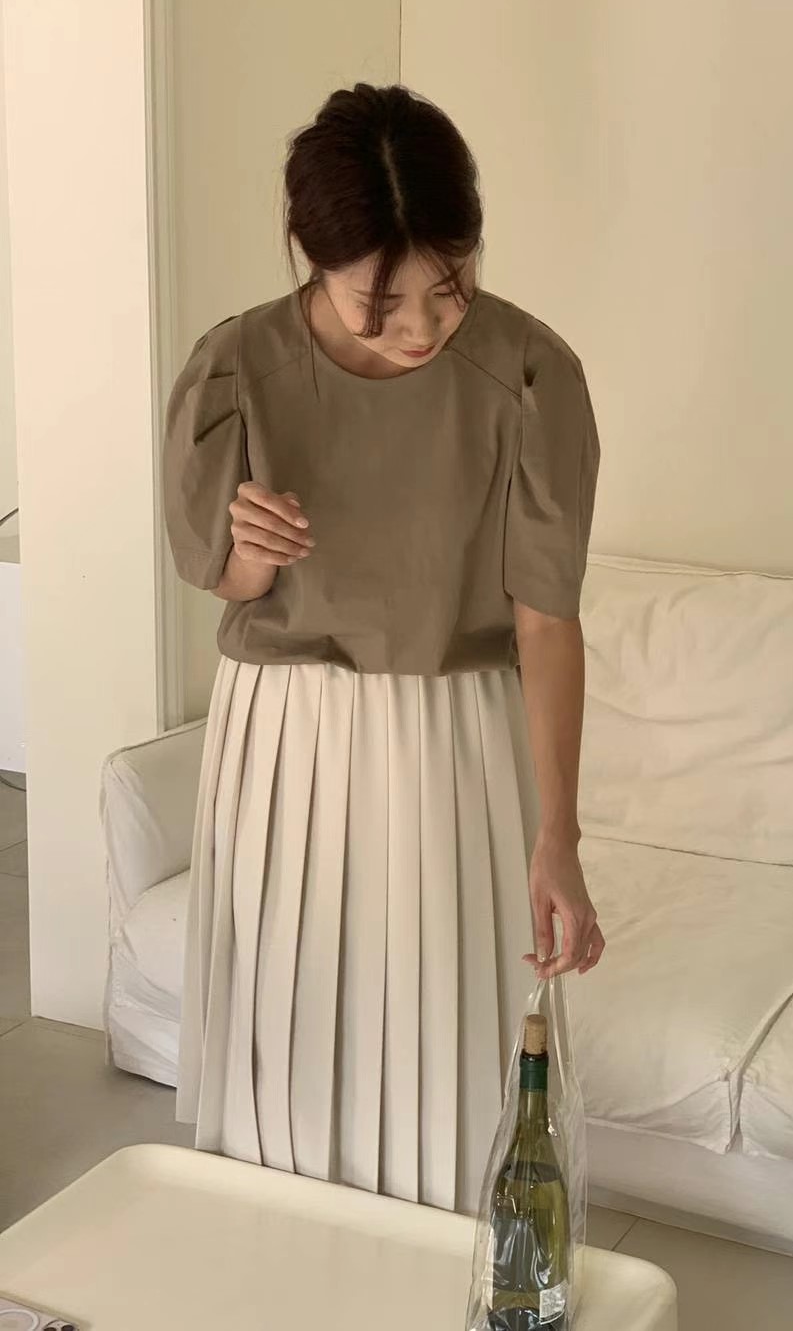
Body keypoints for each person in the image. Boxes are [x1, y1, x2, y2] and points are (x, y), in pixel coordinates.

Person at [162, 82, 604, 1217]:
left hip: (454, 738)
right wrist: (250, 554)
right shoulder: (235, 369)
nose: (420, 327)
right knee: (283, 1047)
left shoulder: (529, 374)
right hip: (282, 736)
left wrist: (558, 835)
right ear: (311, 258)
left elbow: (547, 618)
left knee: (446, 1057)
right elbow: (222, 579)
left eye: (449, 286)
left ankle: (444, 1272)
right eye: (380, 303)